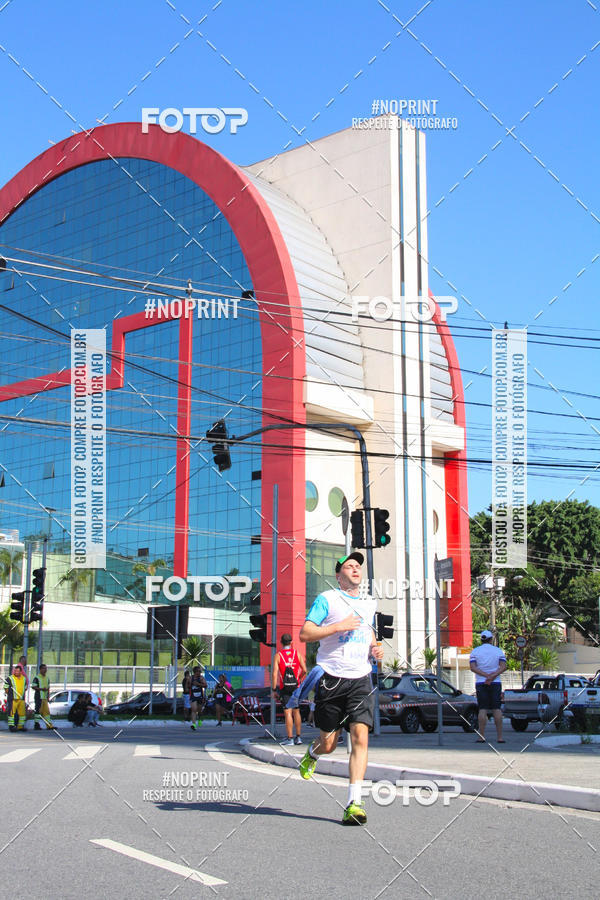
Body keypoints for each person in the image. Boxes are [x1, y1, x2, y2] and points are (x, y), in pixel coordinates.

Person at [298, 551, 383, 826]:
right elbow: (306, 633)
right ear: (339, 575)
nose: (356, 569)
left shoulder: (369, 602)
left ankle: (353, 803)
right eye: (349, 566)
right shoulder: (327, 599)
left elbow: (369, 630)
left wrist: (375, 646)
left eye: (358, 565)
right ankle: (312, 753)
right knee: (329, 744)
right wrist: (338, 627)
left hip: (361, 678)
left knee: (360, 737)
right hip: (331, 678)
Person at [470, 629, 507, 743]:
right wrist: (492, 676)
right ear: (491, 639)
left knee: (482, 709)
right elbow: (503, 666)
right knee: (497, 708)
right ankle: (500, 737)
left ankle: (481, 736)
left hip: (481, 682)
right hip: (495, 682)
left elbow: (473, 667)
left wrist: (486, 676)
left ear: (481, 639)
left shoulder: (475, 652)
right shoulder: (498, 651)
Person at [272, 633, 307, 745]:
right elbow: (305, 670)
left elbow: (274, 674)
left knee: (288, 712)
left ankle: (290, 738)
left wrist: (273, 690)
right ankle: (298, 737)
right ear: (291, 643)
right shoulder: (297, 654)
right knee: (296, 711)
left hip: (284, 687)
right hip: (295, 686)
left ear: (281, 643)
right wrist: (298, 679)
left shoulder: (278, 655)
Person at [5, 662, 28, 731]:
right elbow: (6, 688)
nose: (16, 672)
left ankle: (20, 726)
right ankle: (11, 726)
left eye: (17, 671)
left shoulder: (24, 679)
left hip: (21, 699)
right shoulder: (10, 678)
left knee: (22, 713)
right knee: (11, 713)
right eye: (15, 670)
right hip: (13, 699)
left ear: (21, 672)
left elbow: (25, 687)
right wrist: (10, 694)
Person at [32, 663, 54, 730]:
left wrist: (48, 696)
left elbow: (48, 688)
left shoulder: (47, 678)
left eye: (46, 668)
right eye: (44, 668)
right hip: (39, 697)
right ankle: (36, 724)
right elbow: (33, 686)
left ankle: (49, 725)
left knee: (46, 712)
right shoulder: (37, 678)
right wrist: (41, 689)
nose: (45, 670)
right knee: (38, 711)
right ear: (40, 669)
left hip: (44, 697)